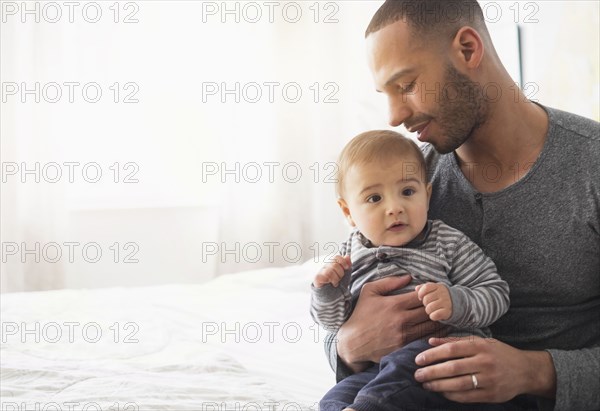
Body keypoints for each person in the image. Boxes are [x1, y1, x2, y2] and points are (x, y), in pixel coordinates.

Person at [324, 1, 600, 410]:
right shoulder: (410, 180)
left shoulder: (591, 166)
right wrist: (348, 345)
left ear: (468, 49)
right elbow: (347, 304)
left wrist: (535, 372)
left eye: (406, 85)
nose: (395, 116)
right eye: (386, 94)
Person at [311, 130, 511, 411]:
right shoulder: (348, 254)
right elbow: (334, 324)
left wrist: (456, 302)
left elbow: (496, 293)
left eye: (407, 192)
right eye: (374, 198)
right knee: (335, 398)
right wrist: (326, 292)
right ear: (347, 212)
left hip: (443, 357)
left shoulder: (447, 242)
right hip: (377, 371)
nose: (394, 208)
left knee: (400, 370)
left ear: (426, 195)